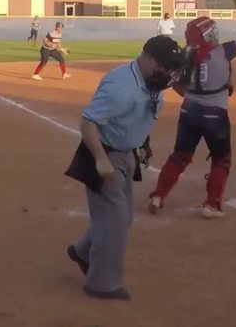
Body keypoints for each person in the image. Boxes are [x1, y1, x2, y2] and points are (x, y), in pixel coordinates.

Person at [63, 35, 185, 301]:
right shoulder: (120, 88)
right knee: (114, 221)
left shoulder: (151, 81)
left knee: (124, 215)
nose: (168, 72)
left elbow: (140, 115)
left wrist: (143, 143)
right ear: (148, 58)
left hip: (126, 153)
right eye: (165, 65)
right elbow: (88, 123)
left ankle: (83, 251)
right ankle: (101, 284)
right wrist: (100, 158)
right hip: (105, 154)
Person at [147, 0, 236, 219]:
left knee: (179, 157)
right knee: (221, 159)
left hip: (189, 111)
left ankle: (158, 195)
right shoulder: (223, 51)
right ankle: (212, 205)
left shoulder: (183, 57)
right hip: (216, 114)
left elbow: (176, 85)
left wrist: (193, 94)